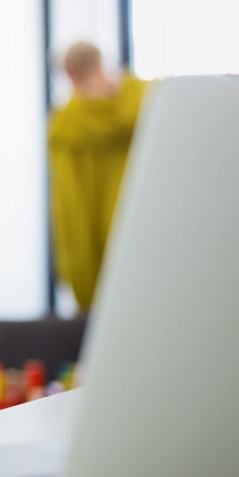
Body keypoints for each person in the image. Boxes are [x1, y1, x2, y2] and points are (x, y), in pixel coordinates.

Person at [48, 41, 148, 311]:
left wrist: (78, 275)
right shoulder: (149, 103)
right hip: (150, 241)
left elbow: (70, 209)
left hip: (99, 263)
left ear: (70, 74)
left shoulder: (67, 126)